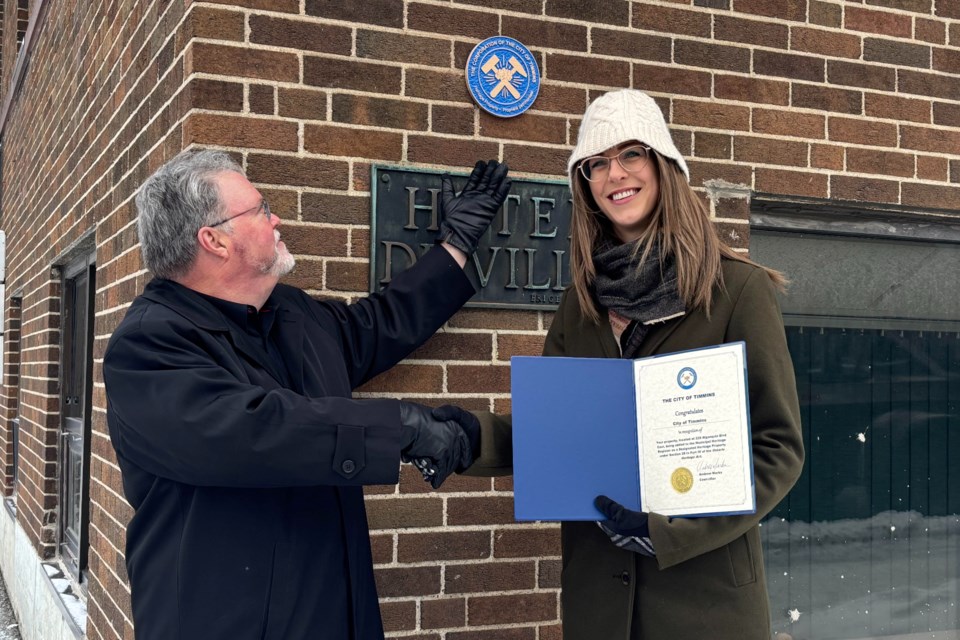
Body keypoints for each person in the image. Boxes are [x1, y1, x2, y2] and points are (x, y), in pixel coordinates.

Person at [102, 149, 508, 640]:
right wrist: (402, 428)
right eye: (259, 209)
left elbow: (378, 324)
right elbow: (253, 431)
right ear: (214, 240)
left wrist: (455, 246)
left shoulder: (291, 314)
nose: (277, 218)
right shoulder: (150, 345)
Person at [448, 89, 804, 639]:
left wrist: (672, 530)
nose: (615, 174)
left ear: (663, 165)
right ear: (585, 184)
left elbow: (778, 448)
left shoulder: (737, 292)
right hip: (601, 606)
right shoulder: (581, 302)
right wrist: (465, 437)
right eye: (597, 163)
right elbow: (556, 437)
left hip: (705, 606)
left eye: (631, 154)